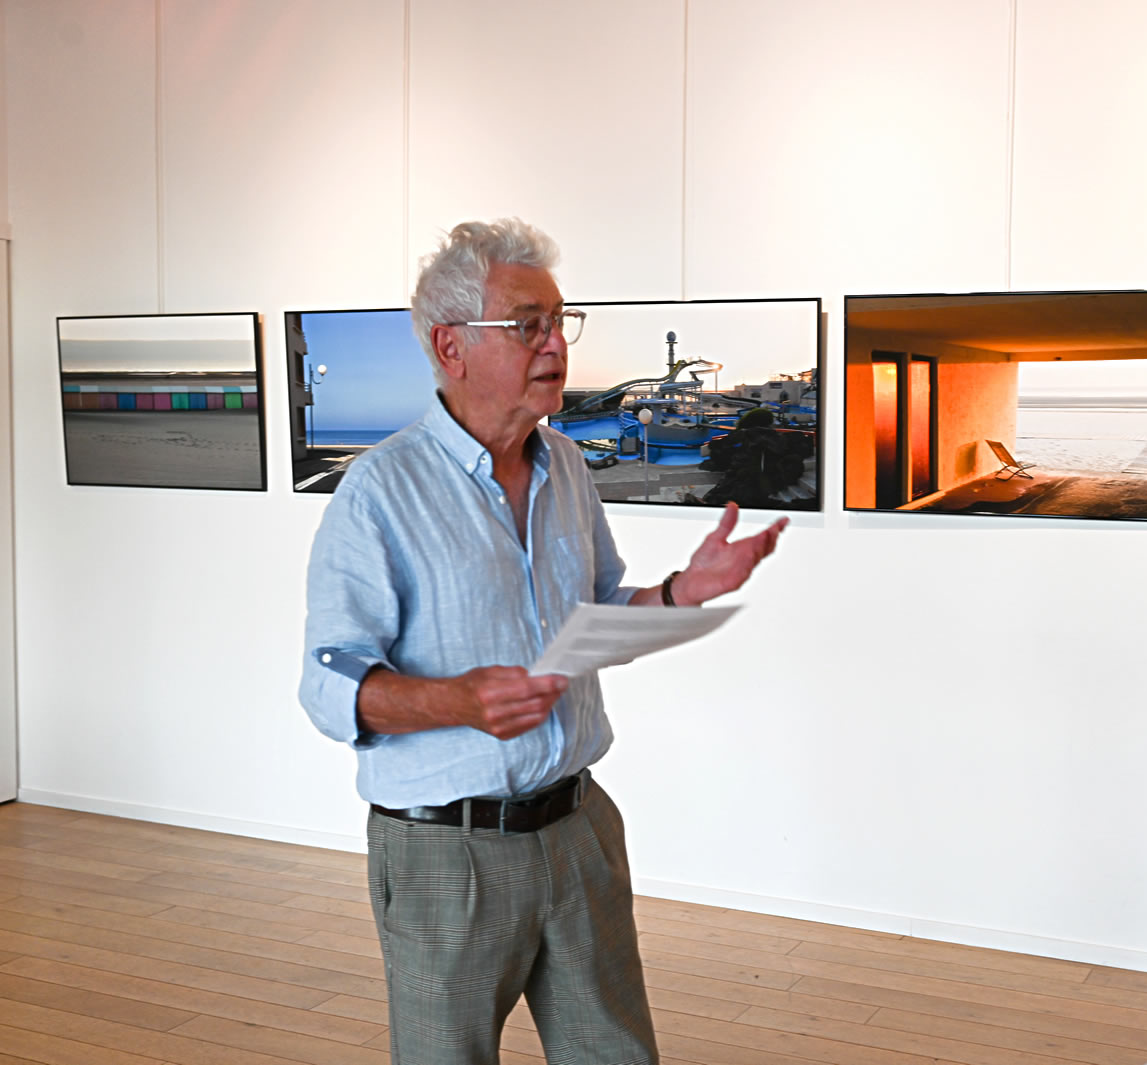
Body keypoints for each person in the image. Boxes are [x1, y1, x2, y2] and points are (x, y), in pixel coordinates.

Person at [298, 218, 788, 1065]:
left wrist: (680, 593)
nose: (555, 343)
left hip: (578, 828)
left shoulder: (566, 466)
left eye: (562, 322)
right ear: (450, 346)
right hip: (446, 855)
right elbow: (326, 684)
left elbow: (596, 613)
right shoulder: (381, 490)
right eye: (528, 324)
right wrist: (458, 701)